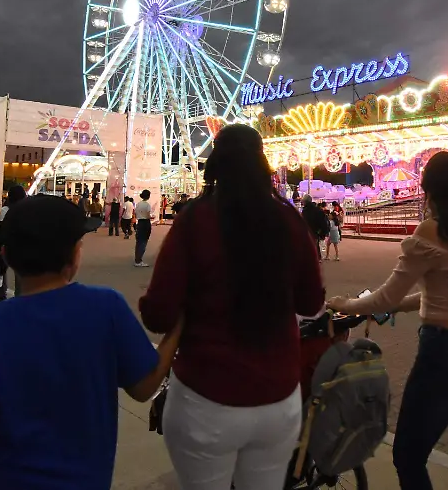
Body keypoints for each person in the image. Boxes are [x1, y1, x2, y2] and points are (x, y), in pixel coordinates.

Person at [0, 195, 182, 490]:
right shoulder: (106, 308)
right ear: (74, 255)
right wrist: (178, 329)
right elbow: (145, 386)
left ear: (6, 255)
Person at [139, 124, 324, 489]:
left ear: (215, 165)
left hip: (207, 397)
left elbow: (157, 314)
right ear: (263, 164)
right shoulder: (287, 218)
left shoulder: (195, 219)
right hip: (279, 398)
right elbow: (312, 301)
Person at [328, 151, 448, 490]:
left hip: (446, 353)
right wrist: (396, 309)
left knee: (408, 455)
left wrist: (348, 304)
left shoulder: (430, 231)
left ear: (430, 190)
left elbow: (386, 296)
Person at [0, 186, 27, 304]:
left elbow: (2, 230)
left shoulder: (5, 209)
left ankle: (2, 295)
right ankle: (19, 297)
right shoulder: (27, 208)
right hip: (22, 244)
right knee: (19, 273)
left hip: (7, 244)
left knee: (2, 270)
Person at [134, 189, 154, 267]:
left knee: (138, 241)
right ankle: (139, 261)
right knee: (144, 242)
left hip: (139, 223)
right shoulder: (147, 205)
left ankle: (137, 259)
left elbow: (136, 213)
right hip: (145, 223)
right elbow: (148, 216)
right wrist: (152, 217)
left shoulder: (138, 204)